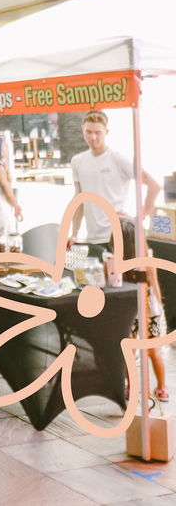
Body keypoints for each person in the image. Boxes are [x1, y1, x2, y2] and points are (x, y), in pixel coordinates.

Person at [69, 110, 161, 248]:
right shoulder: (77, 161)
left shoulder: (119, 160)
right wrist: (74, 233)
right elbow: (78, 199)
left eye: (98, 133)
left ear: (106, 131)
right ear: (83, 129)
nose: (93, 137)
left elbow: (154, 186)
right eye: (89, 132)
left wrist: (138, 219)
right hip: (92, 239)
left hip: (118, 237)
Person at [112, 217, 168, 402]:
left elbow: (154, 284)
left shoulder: (137, 259)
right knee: (150, 352)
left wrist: (158, 310)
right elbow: (156, 285)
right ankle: (160, 387)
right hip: (143, 309)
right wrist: (160, 310)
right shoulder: (142, 257)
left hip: (141, 308)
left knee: (136, 352)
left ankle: (142, 386)